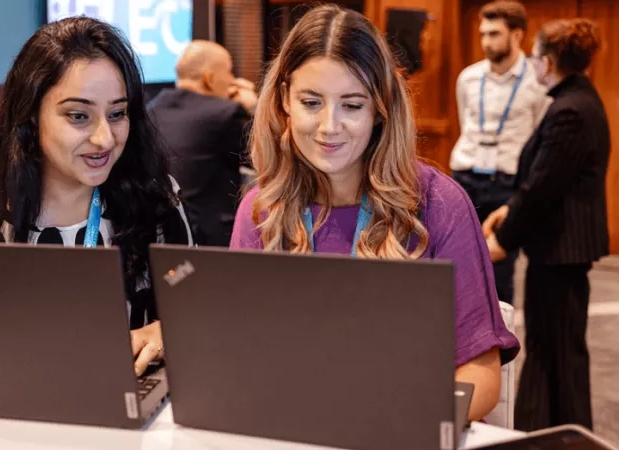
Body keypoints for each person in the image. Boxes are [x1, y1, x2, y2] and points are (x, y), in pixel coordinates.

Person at [230, 5, 519, 421]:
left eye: (352, 105)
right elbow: (240, 351)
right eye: (311, 102)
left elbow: (482, 376)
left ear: (379, 108)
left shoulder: (438, 205)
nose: (330, 127)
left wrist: (391, 428)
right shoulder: (261, 209)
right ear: (283, 102)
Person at [0, 17, 194, 376]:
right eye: (79, 116)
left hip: (125, 417)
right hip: (1, 421)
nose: (104, 138)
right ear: (30, 116)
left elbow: (192, 319)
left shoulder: (156, 204)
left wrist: (168, 331)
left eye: (117, 114)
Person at [483, 19, 608, 431]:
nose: (534, 65)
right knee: (557, 349)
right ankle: (560, 433)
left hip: (560, 251)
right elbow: (543, 181)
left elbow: (543, 188)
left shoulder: (569, 109)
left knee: (550, 349)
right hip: (561, 250)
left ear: (548, 61)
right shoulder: (574, 100)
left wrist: (505, 236)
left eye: (536, 57)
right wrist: (510, 209)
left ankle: (547, 435)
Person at [449, 1, 549, 305]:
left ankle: (501, 349)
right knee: (457, 263)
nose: (486, 42)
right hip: (466, 176)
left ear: (517, 35)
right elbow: (466, 123)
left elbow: (538, 136)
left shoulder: (537, 81)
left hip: (507, 183)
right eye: (483, 34)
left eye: (494, 33)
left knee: (500, 271)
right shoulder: (468, 78)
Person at [148, 40, 257, 246]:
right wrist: (254, 107)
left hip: (159, 236)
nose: (233, 80)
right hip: (210, 241)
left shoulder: (151, 110)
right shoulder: (225, 114)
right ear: (210, 78)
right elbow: (265, 158)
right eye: (230, 72)